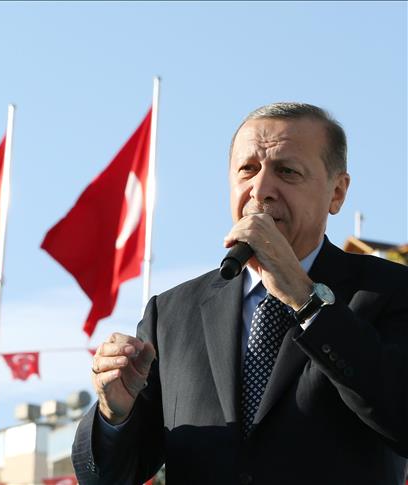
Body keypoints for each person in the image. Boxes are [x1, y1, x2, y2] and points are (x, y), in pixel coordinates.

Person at [72, 102, 407, 485]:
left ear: (337, 192)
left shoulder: (390, 291)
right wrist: (114, 414)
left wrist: (306, 299)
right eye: (247, 169)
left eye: (287, 171)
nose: (260, 190)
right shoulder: (173, 313)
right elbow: (109, 476)